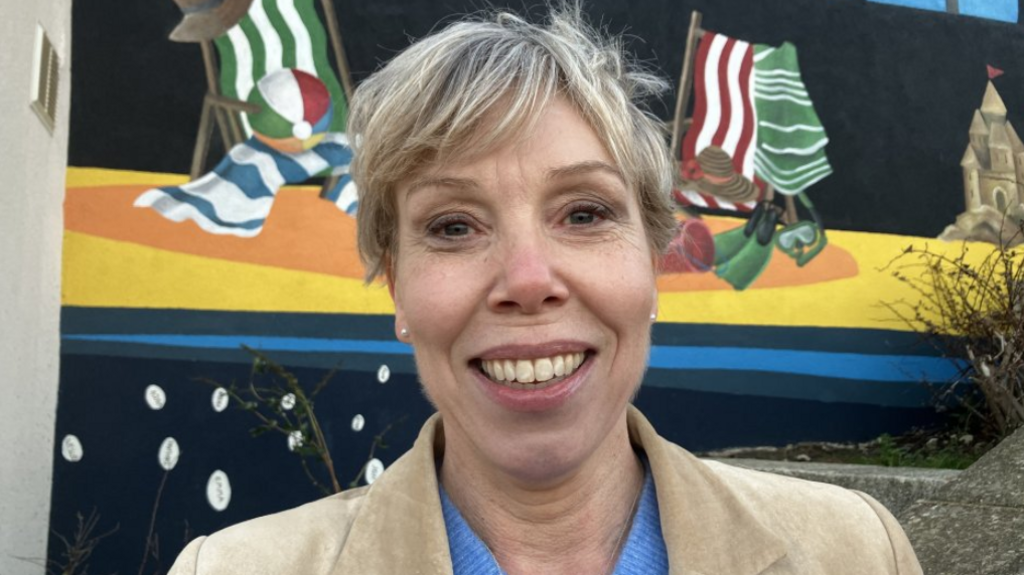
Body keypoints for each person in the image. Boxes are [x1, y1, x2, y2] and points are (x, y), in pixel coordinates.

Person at [168, 5, 923, 574]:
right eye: (455, 226)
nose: (528, 281)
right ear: (398, 286)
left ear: (652, 264)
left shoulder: (856, 551)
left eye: (585, 213)